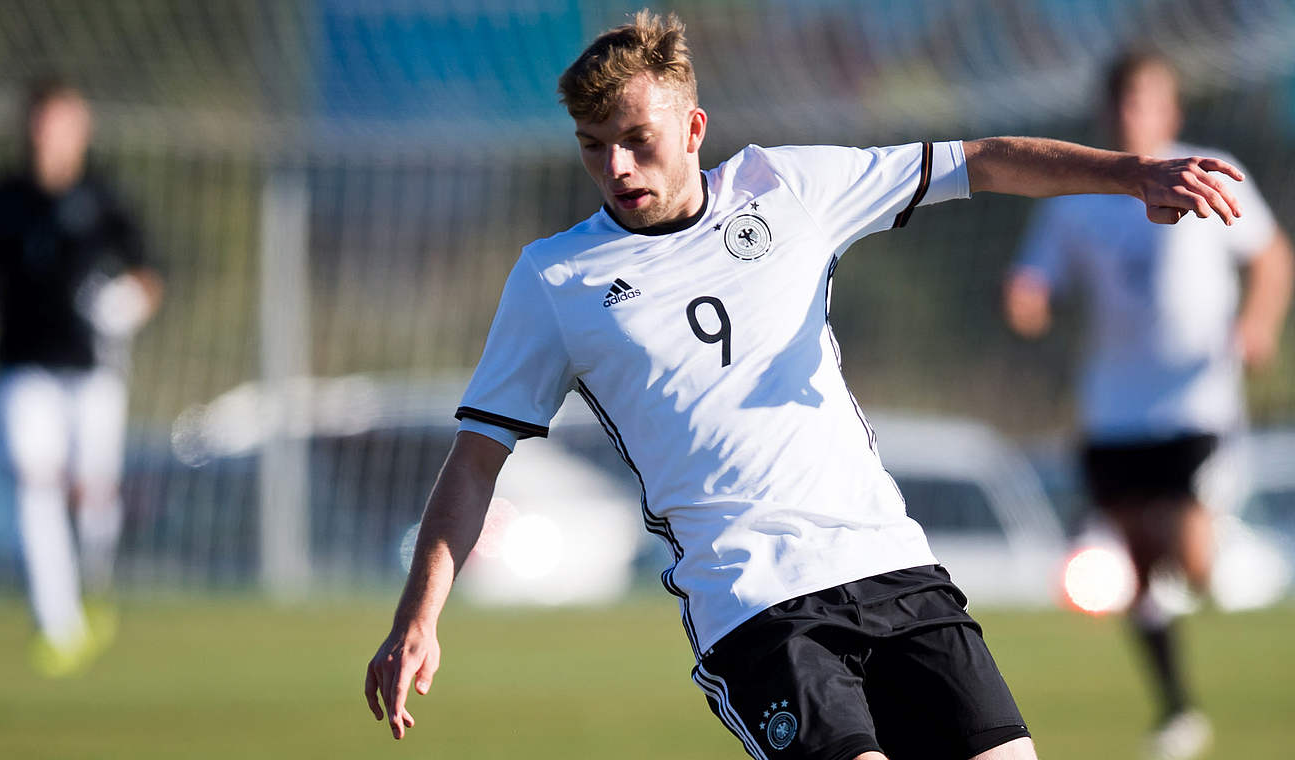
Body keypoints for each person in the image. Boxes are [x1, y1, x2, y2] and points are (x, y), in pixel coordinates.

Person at [365, 13, 1247, 759]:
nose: (619, 170)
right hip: (753, 604)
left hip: (892, 565)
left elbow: (979, 161)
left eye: (638, 142)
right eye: (595, 149)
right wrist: (419, 617)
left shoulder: (788, 187)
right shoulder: (555, 280)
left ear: (695, 128)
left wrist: (1129, 174)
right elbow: (478, 459)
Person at [1004, 50, 1292, 760]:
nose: (1133, 115)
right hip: (1113, 407)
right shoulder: (1081, 192)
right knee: (1136, 570)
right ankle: (1177, 711)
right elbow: (1033, 277)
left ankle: (1204, 560)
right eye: (1122, 103)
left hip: (1196, 402)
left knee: (1188, 558)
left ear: (1171, 111)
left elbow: (1271, 256)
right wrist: (1027, 299)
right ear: (1107, 113)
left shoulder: (1210, 170)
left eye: (1147, 101)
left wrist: (1258, 324)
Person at [0, 78, 163, 676]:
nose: (48, 135)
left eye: (61, 123)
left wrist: (129, 302)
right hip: (19, 369)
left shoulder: (104, 198)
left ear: (81, 130)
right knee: (32, 479)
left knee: (89, 494)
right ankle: (57, 623)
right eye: (41, 122)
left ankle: (92, 585)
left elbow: (150, 272)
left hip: (92, 371)